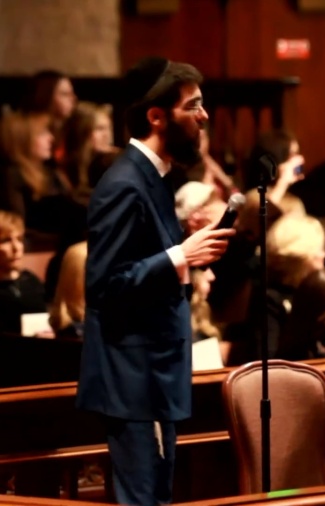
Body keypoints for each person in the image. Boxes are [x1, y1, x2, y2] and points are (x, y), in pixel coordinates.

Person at [75, 57, 235, 506]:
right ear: (156, 115)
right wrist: (180, 254)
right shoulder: (125, 183)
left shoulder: (155, 177)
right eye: (194, 106)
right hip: (135, 381)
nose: (204, 116)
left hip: (152, 376)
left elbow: (142, 262)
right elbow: (104, 285)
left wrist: (184, 244)